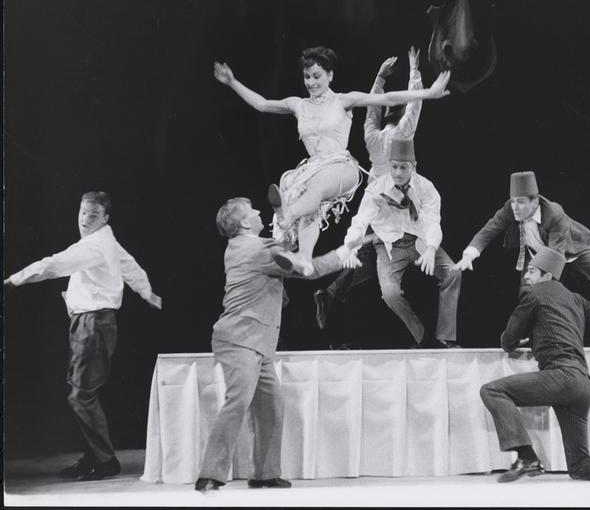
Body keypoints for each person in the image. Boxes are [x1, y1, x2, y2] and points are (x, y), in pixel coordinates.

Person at [213, 46, 451, 274]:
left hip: (341, 167)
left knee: (313, 191)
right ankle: (304, 257)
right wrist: (231, 81)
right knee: (311, 207)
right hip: (313, 168)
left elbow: (387, 99)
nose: (311, 82)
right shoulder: (298, 104)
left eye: (317, 76)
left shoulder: (343, 100)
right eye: (307, 77)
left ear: (330, 76)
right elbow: (262, 104)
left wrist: (428, 93)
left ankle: (287, 214)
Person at [195, 197, 361, 493]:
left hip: (257, 341)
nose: (259, 212)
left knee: (271, 405)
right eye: (252, 211)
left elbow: (286, 253)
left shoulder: (240, 246)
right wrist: (344, 252)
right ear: (244, 222)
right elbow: (308, 269)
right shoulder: (258, 249)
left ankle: (265, 474)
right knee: (237, 402)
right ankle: (210, 474)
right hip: (241, 339)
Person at [3, 191, 162, 481]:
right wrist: (147, 293)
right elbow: (130, 267)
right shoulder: (106, 241)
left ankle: (105, 460)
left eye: (93, 214)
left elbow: (54, 264)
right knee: (85, 393)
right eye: (83, 212)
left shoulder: (95, 245)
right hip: (91, 323)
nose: (85, 219)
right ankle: (93, 456)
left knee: (81, 395)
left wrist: (14, 280)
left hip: (93, 324)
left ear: (105, 218)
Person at [480, 247, 590, 483]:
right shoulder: (576, 300)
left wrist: (513, 341)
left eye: (531, 271)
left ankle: (526, 457)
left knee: (492, 391)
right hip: (581, 385)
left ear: (547, 275)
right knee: (579, 465)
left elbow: (508, 340)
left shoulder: (534, 294)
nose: (526, 276)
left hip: (560, 377)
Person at [314, 47, 426, 343]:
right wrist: (414, 70)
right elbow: (415, 104)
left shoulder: (372, 136)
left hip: (374, 202)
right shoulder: (402, 135)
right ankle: (421, 334)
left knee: (366, 256)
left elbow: (371, 111)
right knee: (385, 257)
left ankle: (331, 293)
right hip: (394, 205)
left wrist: (380, 78)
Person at [453, 171, 590, 343]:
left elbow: (556, 254)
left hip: (573, 249)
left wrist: (544, 281)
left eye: (521, 202)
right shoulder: (510, 208)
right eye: (513, 201)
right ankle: (525, 335)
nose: (515, 207)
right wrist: (469, 255)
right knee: (528, 290)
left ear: (535, 202)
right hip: (538, 252)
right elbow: (490, 229)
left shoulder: (554, 213)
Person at [343, 138, 462, 348]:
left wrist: (431, 248)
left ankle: (446, 338)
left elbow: (433, 222)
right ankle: (423, 339)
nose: (398, 173)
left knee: (453, 273)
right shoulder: (376, 189)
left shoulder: (426, 188)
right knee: (390, 294)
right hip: (389, 245)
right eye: (394, 167)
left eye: (404, 167)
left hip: (419, 241)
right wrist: (351, 246)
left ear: (413, 166)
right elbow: (360, 221)